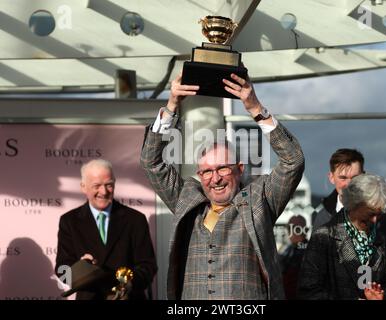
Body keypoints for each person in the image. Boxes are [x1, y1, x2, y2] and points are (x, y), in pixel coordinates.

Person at [140, 72, 305, 299]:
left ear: (239, 168)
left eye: (223, 168)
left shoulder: (260, 199)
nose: (215, 178)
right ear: (199, 174)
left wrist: (255, 108)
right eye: (206, 171)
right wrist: (171, 107)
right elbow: (151, 161)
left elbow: (292, 160)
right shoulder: (187, 200)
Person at [55, 159, 157, 300]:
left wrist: (129, 284)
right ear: (83, 187)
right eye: (97, 186)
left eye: (109, 185)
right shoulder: (69, 221)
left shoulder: (135, 219)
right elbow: (62, 270)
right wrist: (80, 269)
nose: (103, 192)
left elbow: (148, 266)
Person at [312, 148, 386, 287]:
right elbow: (315, 273)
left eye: (355, 178)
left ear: (363, 176)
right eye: (343, 177)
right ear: (331, 177)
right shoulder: (322, 218)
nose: (349, 184)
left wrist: (378, 291)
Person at [298, 173, 386, 300]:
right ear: (353, 204)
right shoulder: (323, 238)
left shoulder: (382, 241)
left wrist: (383, 297)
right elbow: (308, 291)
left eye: (379, 215)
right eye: (371, 213)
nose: (374, 220)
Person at [279, 215, 308, 299]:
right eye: (289, 228)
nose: (292, 232)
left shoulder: (310, 251)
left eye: (296, 228)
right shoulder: (287, 250)